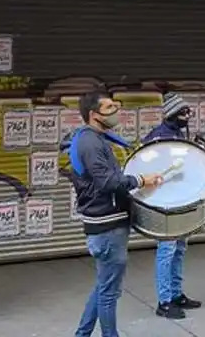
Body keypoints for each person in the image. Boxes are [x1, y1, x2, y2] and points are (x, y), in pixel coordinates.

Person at [69, 90, 164, 337]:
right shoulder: (90, 143)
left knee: (104, 286)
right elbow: (107, 182)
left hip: (108, 225)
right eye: (109, 107)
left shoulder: (95, 138)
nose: (116, 111)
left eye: (115, 105)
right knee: (109, 293)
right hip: (106, 227)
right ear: (93, 114)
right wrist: (142, 180)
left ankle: (82, 334)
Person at [141, 93, 202, 320]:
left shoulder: (177, 134)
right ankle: (164, 301)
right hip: (165, 203)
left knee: (179, 249)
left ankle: (176, 295)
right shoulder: (158, 138)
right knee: (167, 251)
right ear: (173, 114)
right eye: (184, 113)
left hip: (179, 200)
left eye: (189, 112)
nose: (188, 116)